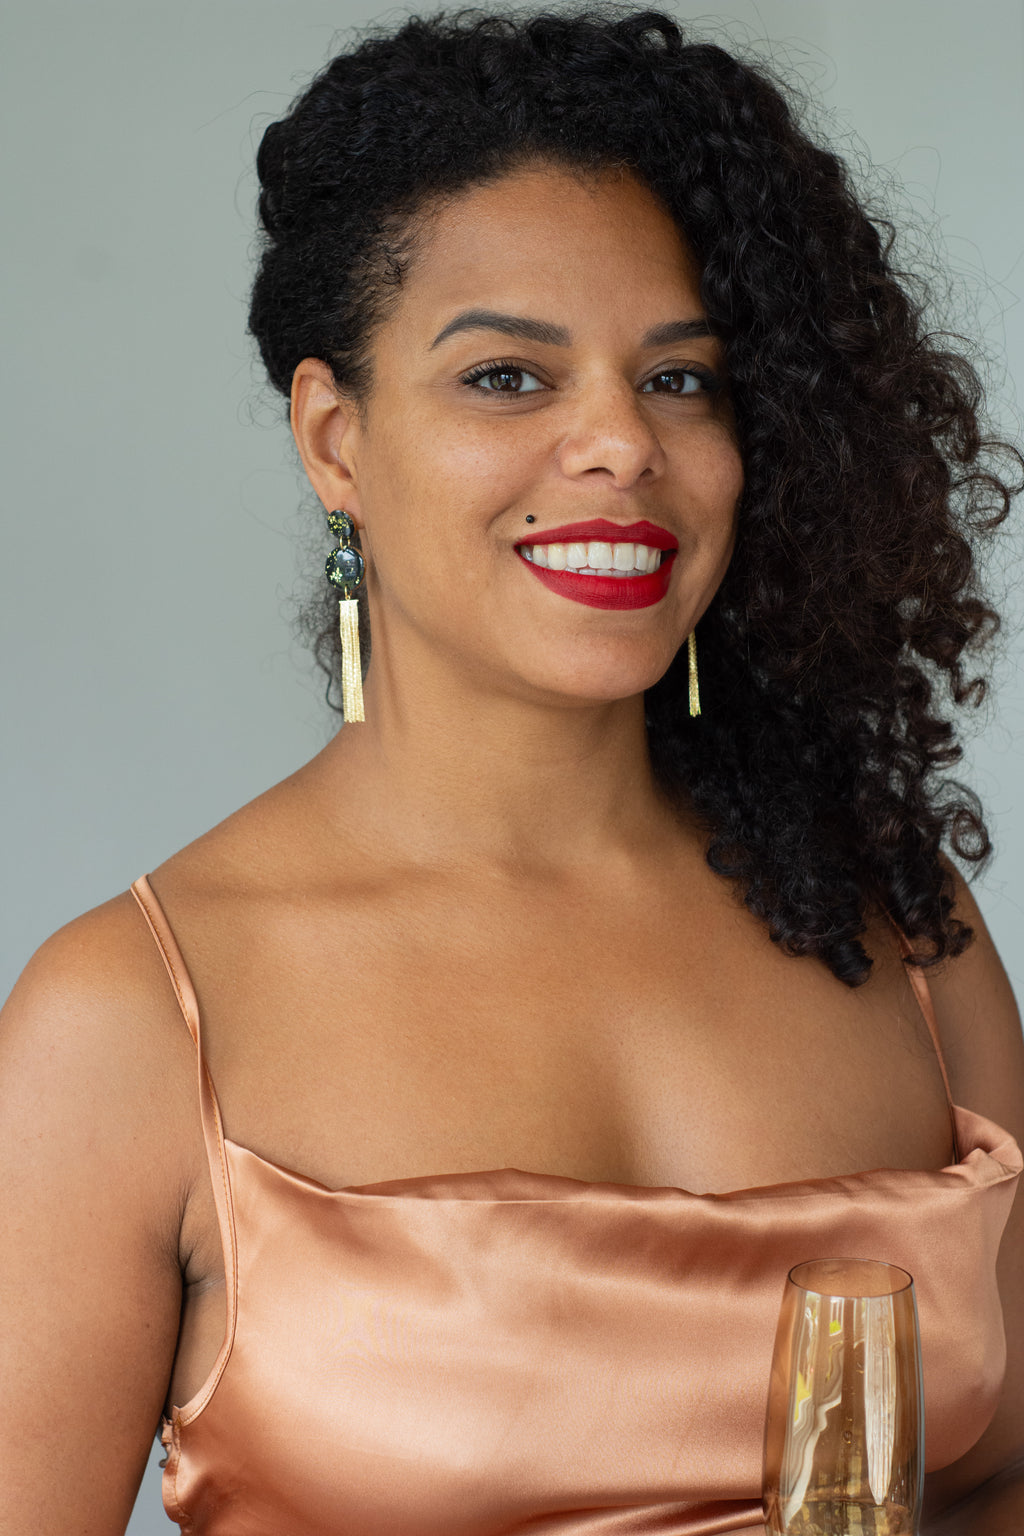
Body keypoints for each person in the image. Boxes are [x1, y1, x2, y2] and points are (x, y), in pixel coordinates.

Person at [2, 9, 1023, 1533]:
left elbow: (1001, 1479)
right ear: (335, 440)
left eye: (682, 380)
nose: (620, 443)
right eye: (506, 378)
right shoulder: (133, 1021)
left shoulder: (896, 921)